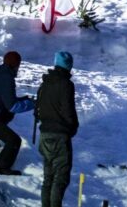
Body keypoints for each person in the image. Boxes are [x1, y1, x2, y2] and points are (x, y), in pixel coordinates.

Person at [36, 51, 79, 207]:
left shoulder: (45, 83)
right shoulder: (66, 85)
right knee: (60, 178)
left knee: (48, 178)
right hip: (60, 136)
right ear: (69, 66)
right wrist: (73, 127)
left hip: (44, 134)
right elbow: (68, 110)